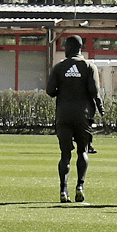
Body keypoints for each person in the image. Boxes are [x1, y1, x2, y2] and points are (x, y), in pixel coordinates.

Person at [47, 34, 99, 203]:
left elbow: (50, 91)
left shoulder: (59, 67)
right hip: (82, 114)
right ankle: (80, 186)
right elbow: (94, 90)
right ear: (81, 48)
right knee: (82, 150)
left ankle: (63, 189)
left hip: (63, 114)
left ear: (68, 48)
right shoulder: (89, 66)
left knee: (65, 154)